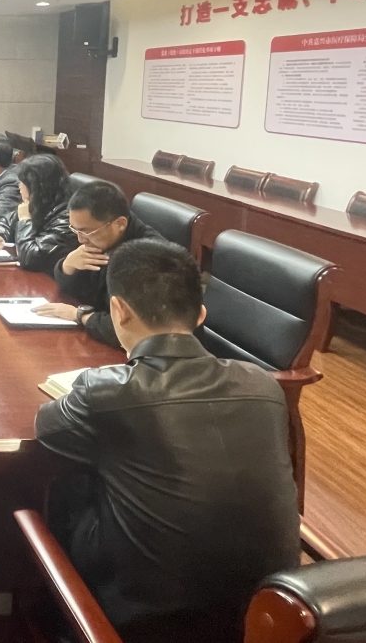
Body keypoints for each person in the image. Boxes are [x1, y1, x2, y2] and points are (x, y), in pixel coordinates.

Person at [35, 239, 298, 640]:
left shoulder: (106, 390)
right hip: (265, 614)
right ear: (201, 315)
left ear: (119, 310)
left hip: (146, 623)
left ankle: (54, 621)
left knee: (69, 484)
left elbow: (47, 430)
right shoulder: (264, 385)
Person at [35, 180, 163, 348]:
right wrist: (68, 266)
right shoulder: (102, 238)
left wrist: (81, 316)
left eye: (86, 232)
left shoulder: (148, 259)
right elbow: (79, 292)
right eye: (75, 229)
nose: (80, 239)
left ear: (120, 224)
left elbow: (133, 329)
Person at [0, 154, 79, 274]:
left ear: (37, 186)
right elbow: (7, 220)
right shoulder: (40, 202)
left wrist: (25, 221)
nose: (19, 187)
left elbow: (31, 259)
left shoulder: (67, 219)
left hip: (48, 279)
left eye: (22, 182)